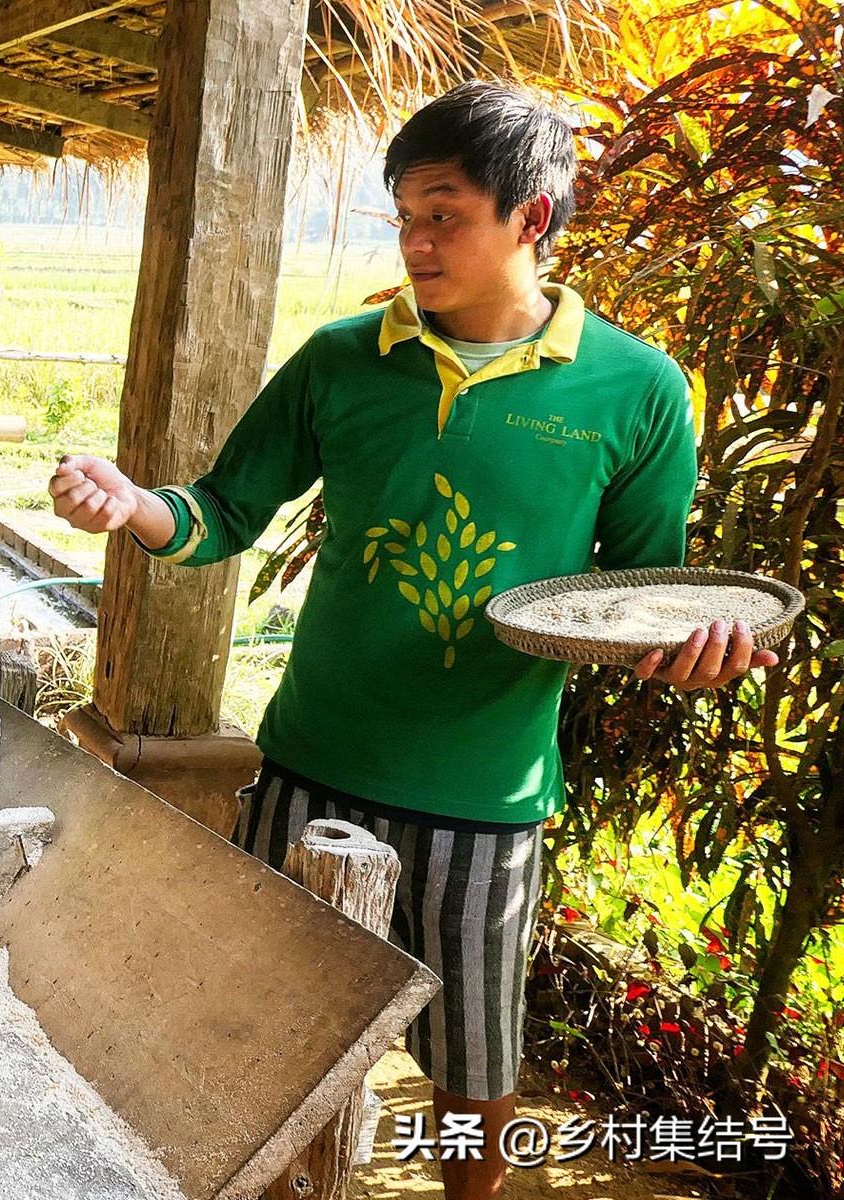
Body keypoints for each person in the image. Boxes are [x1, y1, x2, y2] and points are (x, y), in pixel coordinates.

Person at [47, 82, 776, 1200]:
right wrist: (131, 504)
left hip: (487, 793)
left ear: (531, 217)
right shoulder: (344, 359)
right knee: (276, 1038)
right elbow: (223, 514)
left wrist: (682, 653)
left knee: (473, 1070)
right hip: (309, 772)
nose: (417, 241)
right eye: (405, 215)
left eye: (445, 213)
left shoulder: (636, 391)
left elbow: (637, 603)